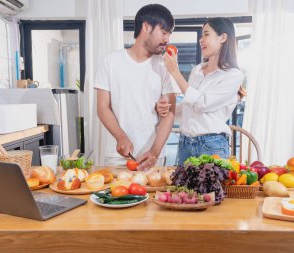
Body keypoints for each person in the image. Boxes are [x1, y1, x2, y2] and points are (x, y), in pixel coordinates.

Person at [95, 4, 177, 170]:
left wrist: (154, 151)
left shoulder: (164, 65)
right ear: (146, 26)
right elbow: (103, 107)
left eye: (169, 34)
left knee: (154, 197)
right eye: (164, 32)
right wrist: (120, 136)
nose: (167, 39)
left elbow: (170, 113)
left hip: (154, 157)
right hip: (118, 155)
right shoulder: (110, 61)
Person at [158, 17, 245, 165]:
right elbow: (190, 106)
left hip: (211, 145)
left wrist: (175, 72)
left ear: (223, 37)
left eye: (206, 34)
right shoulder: (197, 70)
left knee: (210, 189)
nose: (201, 39)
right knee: (182, 189)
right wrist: (167, 109)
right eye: (201, 35)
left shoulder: (233, 75)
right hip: (185, 142)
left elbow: (202, 104)